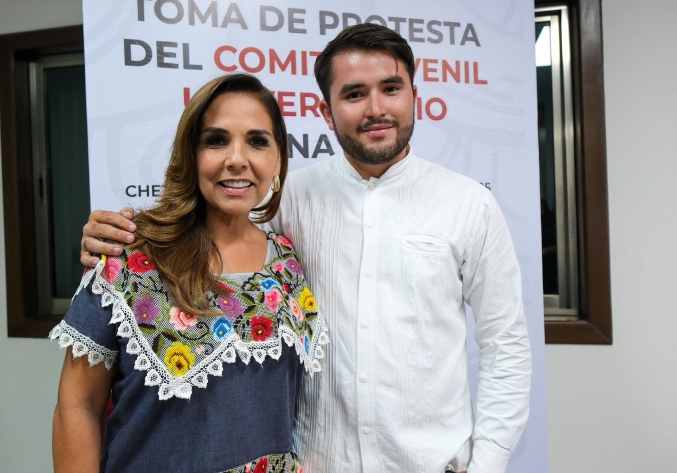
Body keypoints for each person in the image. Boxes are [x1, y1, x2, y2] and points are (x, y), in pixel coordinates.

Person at [81, 24, 532, 473]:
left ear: (414, 95)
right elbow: (212, 229)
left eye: (391, 89)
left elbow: (505, 346)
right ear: (326, 112)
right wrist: (116, 237)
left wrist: (487, 465)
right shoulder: (286, 200)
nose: (376, 108)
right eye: (354, 94)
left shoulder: (469, 205)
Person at [51, 73, 327, 473]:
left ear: (279, 159)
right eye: (216, 140)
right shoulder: (130, 258)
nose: (237, 158)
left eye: (257, 141)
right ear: (190, 154)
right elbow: (77, 406)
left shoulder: (288, 262)